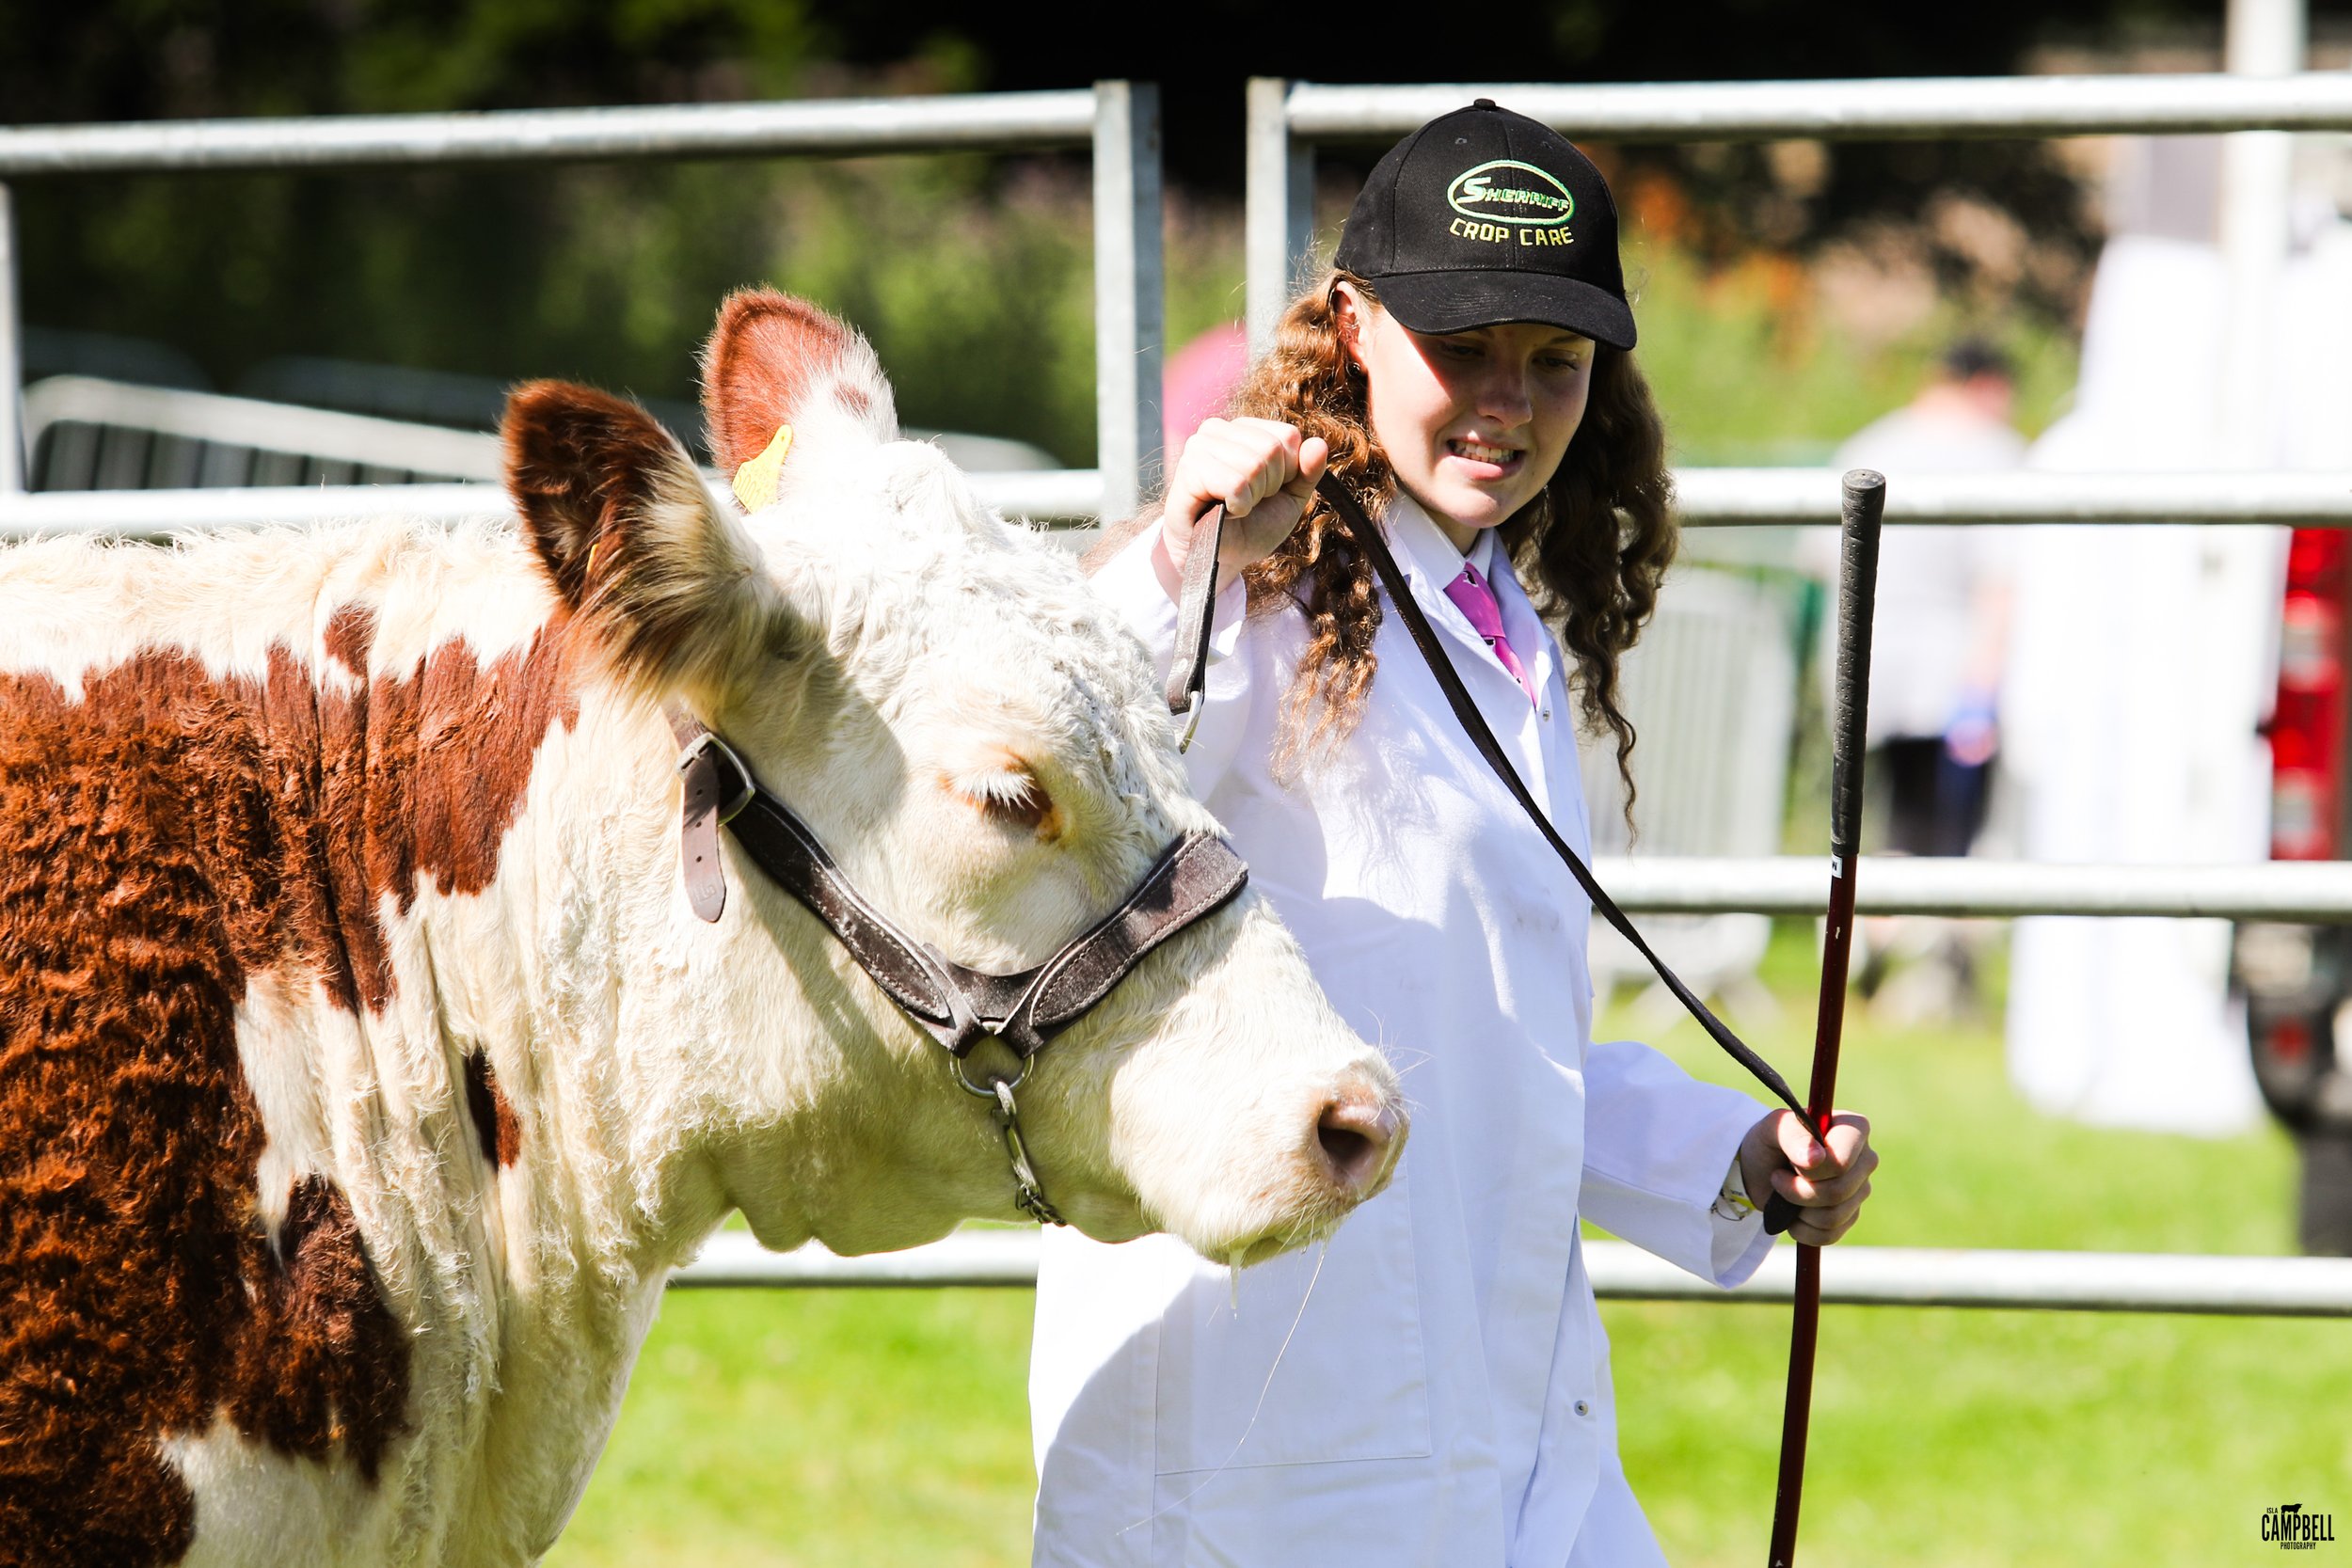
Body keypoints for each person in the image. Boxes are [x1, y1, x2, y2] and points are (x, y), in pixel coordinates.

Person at [1029, 102, 1877, 1567]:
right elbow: (1089, 755)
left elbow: (1505, 1049)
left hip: (1502, 1408)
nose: (1509, 399)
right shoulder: (1256, 586)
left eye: (1554, 361)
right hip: (1269, 1417)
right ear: (1354, 326)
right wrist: (1188, 552)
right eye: (1464, 349)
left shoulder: (1507, 630)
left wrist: (1734, 1155)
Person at [1826, 339, 2026, 1017]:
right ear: (1989, 385)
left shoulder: (1869, 442)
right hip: (1954, 677)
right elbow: (2001, 585)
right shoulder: (1992, 453)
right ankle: (1935, 975)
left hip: (1870, 680)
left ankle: (1872, 946)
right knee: (1954, 838)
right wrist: (1984, 694)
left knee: (1887, 825)